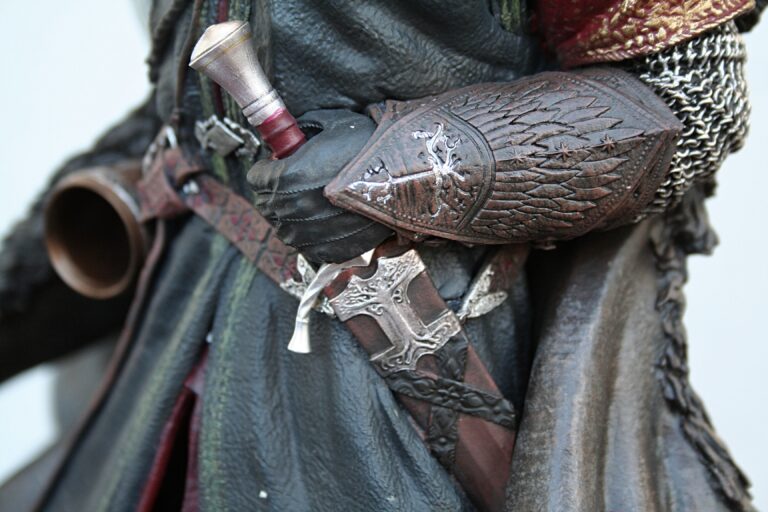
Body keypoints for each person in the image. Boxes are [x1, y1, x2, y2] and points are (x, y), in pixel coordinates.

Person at [0, 1, 765, 510]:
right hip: (179, 333)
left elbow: (690, 95)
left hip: (419, 346)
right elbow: (194, 105)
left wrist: (394, 166)